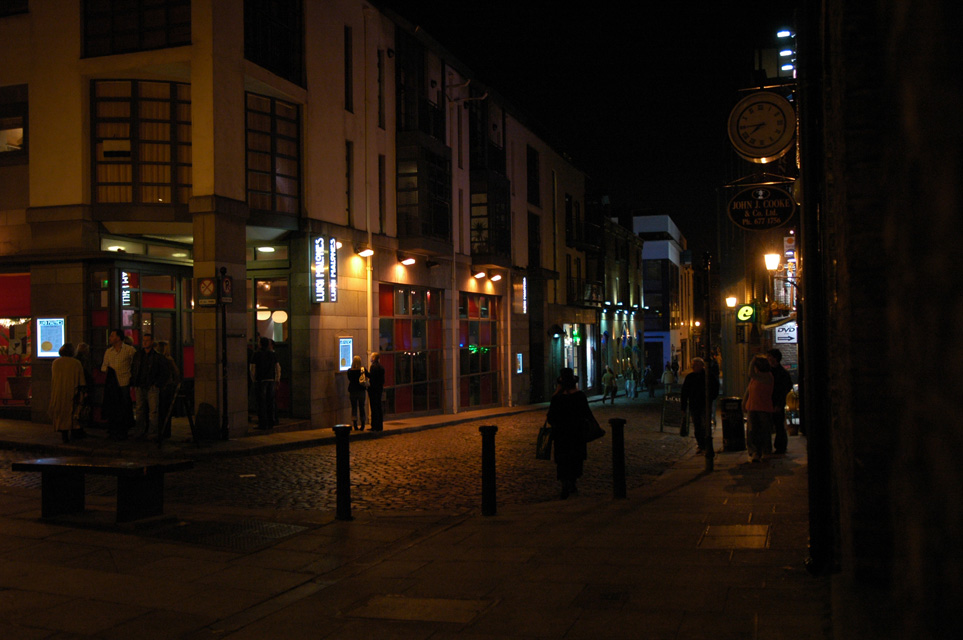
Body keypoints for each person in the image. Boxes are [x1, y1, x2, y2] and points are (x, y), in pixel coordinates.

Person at [546, 367, 597, 499]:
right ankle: (572, 483)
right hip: (576, 434)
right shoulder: (580, 396)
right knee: (575, 459)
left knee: (563, 460)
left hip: (561, 435)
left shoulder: (557, 398)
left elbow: (550, 417)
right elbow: (587, 414)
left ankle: (564, 484)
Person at [130, 333, 170, 442]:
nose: (145, 342)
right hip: (140, 385)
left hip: (151, 386)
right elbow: (134, 368)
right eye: (144, 340)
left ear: (152, 342)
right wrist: (135, 381)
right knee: (140, 409)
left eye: (147, 340)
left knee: (153, 411)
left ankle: (152, 432)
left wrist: (157, 383)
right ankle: (140, 431)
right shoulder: (139, 355)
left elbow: (164, 372)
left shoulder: (157, 357)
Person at [101, 328, 136, 440]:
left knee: (124, 405)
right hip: (112, 384)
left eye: (112, 336)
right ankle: (113, 428)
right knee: (113, 406)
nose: (110, 338)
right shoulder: (109, 352)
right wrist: (107, 370)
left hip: (124, 382)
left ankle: (124, 428)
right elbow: (104, 365)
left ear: (118, 338)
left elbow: (134, 364)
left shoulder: (129, 350)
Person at [680, 357, 719, 454]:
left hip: (705, 404)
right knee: (697, 425)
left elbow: (715, 387)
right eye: (693, 365)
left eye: (695, 365)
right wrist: (683, 407)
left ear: (702, 366)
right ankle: (701, 444)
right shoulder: (690, 377)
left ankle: (706, 444)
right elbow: (684, 393)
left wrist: (711, 397)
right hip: (694, 405)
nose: (693, 367)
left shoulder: (708, 376)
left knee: (705, 425)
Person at [49, 343, 86, 443]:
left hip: (58, 391)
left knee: (61, 414)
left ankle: (64, 434)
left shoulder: (56, 363)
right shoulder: (76, 363)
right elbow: (81, 380)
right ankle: (74, 433)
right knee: (72, 413)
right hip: (71, 391)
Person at [742, 354, 775, 462]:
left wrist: (753, 361)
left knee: (764, 430)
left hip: (763, 407)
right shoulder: (755, 378)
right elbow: (749, 391)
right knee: (752, 431)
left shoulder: (767, 376)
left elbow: (750, 373)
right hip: (753, 407)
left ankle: (765, 451)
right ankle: (755, 451)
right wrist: (744, 402)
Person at [249, 337, 280, 430]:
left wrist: (254, 379)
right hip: (270, 380)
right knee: (270, 401)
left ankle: (263, 423)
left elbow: (252, 369)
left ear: (260, 344)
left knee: (261, 403)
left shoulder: (256, 354)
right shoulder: (272, 354)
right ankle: (271, 422)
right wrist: (277, 379)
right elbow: (277, 367)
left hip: (260, 380)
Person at [156, 340, 181, 439]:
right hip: (166, 385)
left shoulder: (166, 359)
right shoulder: (167, 359)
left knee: (163, 409)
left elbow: (176, 372)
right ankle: (165, 431)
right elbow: (176, 373)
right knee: (164, 410)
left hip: (165, 386)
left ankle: (164, 431)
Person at [73, 342, 94, 430]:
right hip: (83, 386)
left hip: (77, 386)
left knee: (78, 407)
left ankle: (77, 425)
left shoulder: (75, 360)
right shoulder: (84, 360)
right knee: (82, 406)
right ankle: (80, 426)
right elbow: (86, 374)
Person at [346, 355, 368, 430]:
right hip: (361, 390)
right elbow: (368, 376)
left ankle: (355, 424)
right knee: (362, 407)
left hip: (353, 390)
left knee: (354, 407)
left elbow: (349, 379)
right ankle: (362, 424)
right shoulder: (363, 370)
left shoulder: (350, 371)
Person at [367, 352, 385, 431]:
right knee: (379, 407)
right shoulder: (381, 367)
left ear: (374, 358)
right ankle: (379, 425)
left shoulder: (373, 367)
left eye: (371, 357)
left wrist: (365, 372)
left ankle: (374, 426)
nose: (370, 358)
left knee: (374, 408)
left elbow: (371, 377)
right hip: (379, 389)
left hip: (373, 390)